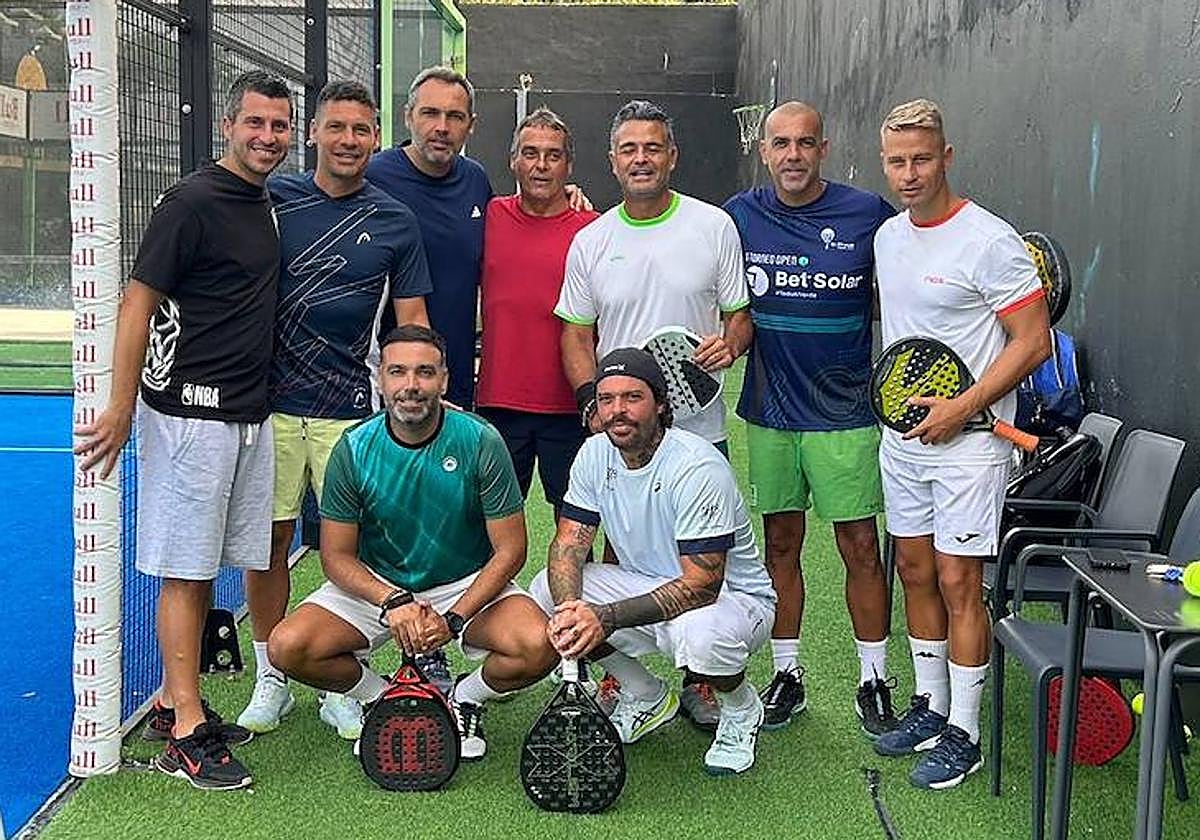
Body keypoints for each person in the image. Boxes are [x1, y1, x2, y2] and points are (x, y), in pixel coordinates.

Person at [73, 70, 295, 790]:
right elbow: (138, 303)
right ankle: (187, 734)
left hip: (248, 416)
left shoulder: (261, 201)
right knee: (185, 570)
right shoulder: (190, 202)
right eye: (256, 123)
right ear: (228, 125)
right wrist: (121, 404)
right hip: (191, 419)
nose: (268, 137)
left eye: (279, 125)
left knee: (212, 566)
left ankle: (174, 701)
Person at [235, 80, 433, 740]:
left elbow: (412, 325)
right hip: (267, 409)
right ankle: (272, 674)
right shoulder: (271, 199)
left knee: (353, 548)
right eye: (336, 128)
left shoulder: (395, 221)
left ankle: (337, 677)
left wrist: (419, 398)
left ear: (377, 138)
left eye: (362, 130)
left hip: (351, 412)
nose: (349, 140)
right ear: (313, 133)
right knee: (269, 544)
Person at [267, 325, 557, 761]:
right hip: (381, 587)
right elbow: (336, 557)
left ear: (444, 379)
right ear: (380, 379)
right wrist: (392, 600)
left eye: (424, 373)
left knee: (540, 644)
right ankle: (383, 699)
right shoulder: (354, 446)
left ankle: (465, 698)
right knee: (287, 646)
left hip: (465, 583)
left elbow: (511, 550)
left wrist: (455, 618)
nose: (411, 385)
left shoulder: (481, 440)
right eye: (398, 372)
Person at [871, 98, 1050, 789]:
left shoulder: (990, 240)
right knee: (913, 572)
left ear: (946, 158)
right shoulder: (889, 237)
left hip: (971, 444)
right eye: (897, 161)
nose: (909, 173)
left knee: (957, 581)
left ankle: (965, 734)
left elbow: (1032, 341)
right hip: (903, 443)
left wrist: (962, 407)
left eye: (921, 159)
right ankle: (930, 705)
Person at [555, 99, 751, 728]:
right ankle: (626, 680)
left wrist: (733, 342)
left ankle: (704, 680)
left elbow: (737, 317)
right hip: (622, 427)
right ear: (612, 160)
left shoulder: (714, 226)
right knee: (614, 552)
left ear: (672, 156)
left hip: (697, 431)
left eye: (653, 147)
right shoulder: (592, 239)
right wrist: (592, 399)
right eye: (629, 149)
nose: (641, 158)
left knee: (699, 564)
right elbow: (576, 332)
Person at [723, 102, 897, 735]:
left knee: (858, 547)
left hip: (845, 413)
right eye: (780, 144)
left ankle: (874, 677)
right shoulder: (738, 216)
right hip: (770, 412)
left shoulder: (867, 215)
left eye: (805, 143)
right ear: (763, 151)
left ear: (824, 149)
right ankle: (787, 674)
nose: (792, 155)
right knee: (779, 546)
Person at [530, 348, 775, 776]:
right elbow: (569, 544)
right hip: (645, 585)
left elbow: (702, 585)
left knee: (701, 636)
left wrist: (604, 617)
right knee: (547, 591)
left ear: (661, 404)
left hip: (734, 603)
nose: (617, 411)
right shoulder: (593, 454)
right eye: (607, 399)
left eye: (632, 397)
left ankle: (740, 708)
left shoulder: (697, 466)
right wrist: (573, 610)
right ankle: (643, 691)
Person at [475, 107, 598, 517]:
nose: (541, 166)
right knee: (489, 529)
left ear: (569, 165)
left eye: (553, 155)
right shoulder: (490, 215)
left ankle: (577, 587)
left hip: (570, 405)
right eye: (530, 153)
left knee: (577, 527)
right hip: (499, 404)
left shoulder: (593, 228)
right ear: (513, 161)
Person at [364, 66, 489, 410]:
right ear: (408, 116)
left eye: (455, 116)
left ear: (471, 124)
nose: (442, 128)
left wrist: (565, 196)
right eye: (430, 113)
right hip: (393, 387)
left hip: (457, 379)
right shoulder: (372, 176)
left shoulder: (476, 180)